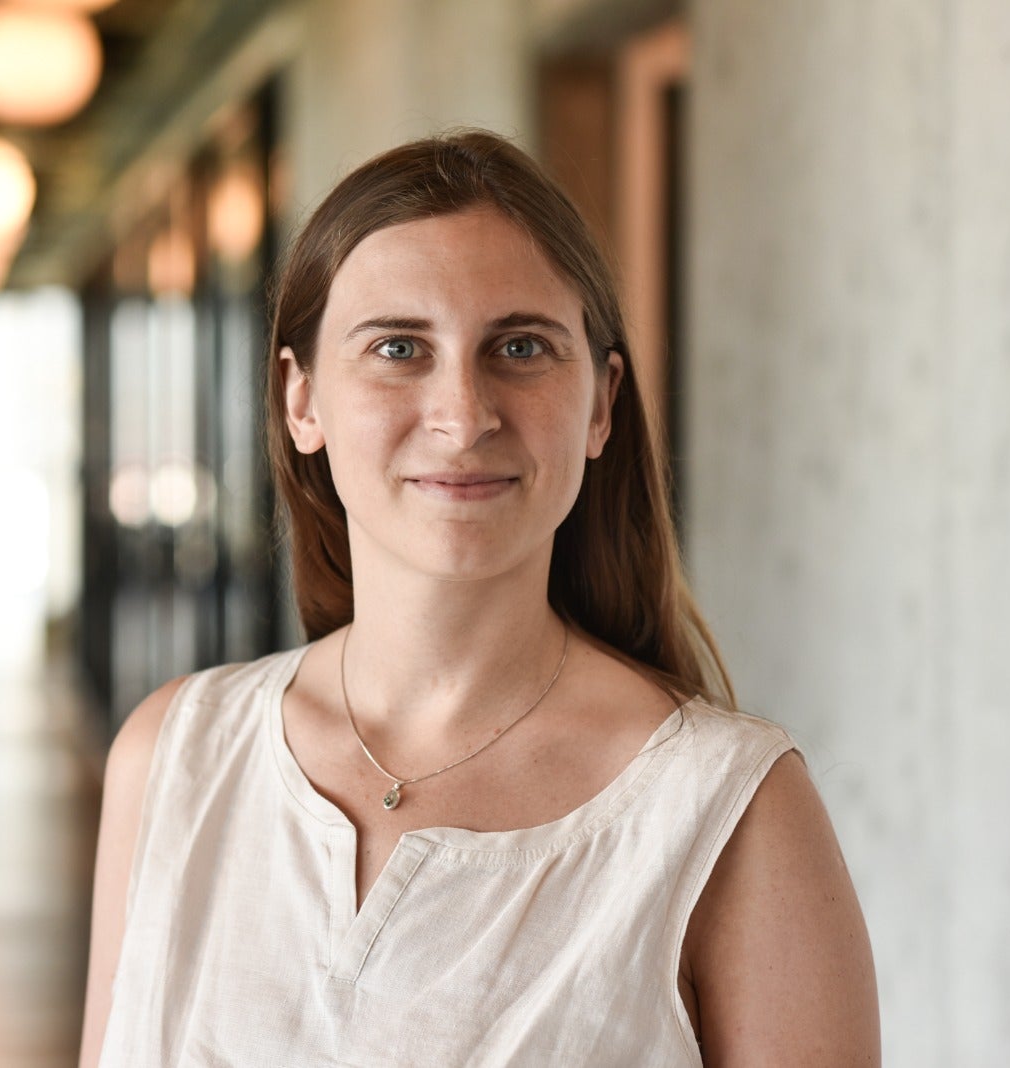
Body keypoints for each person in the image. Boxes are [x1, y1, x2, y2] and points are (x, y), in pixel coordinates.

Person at [79, 130, 880, 1065]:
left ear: (599, 405)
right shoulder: (175, 757)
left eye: (520, 346)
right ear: (301, 402)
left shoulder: (730, 812)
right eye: (398, 347)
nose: (463, 416)